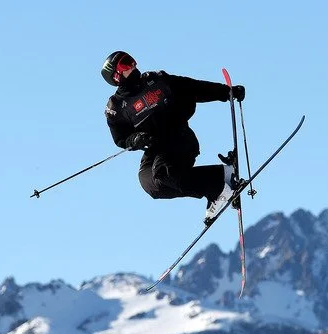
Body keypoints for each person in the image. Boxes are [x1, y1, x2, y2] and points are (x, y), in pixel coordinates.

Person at [101, 51, 246, 224]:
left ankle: (218, 187)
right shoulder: (116, 108)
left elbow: (192, 87)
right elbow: (121, 139)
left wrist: (225, 92)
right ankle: (221, 176)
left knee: (164, 172)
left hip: (179, 138)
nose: (133, 65)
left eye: (131, 60)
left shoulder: (156, 81)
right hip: (155, 148)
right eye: (125, 64)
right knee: (151, 184)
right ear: (116, 76)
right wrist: (135, 140)